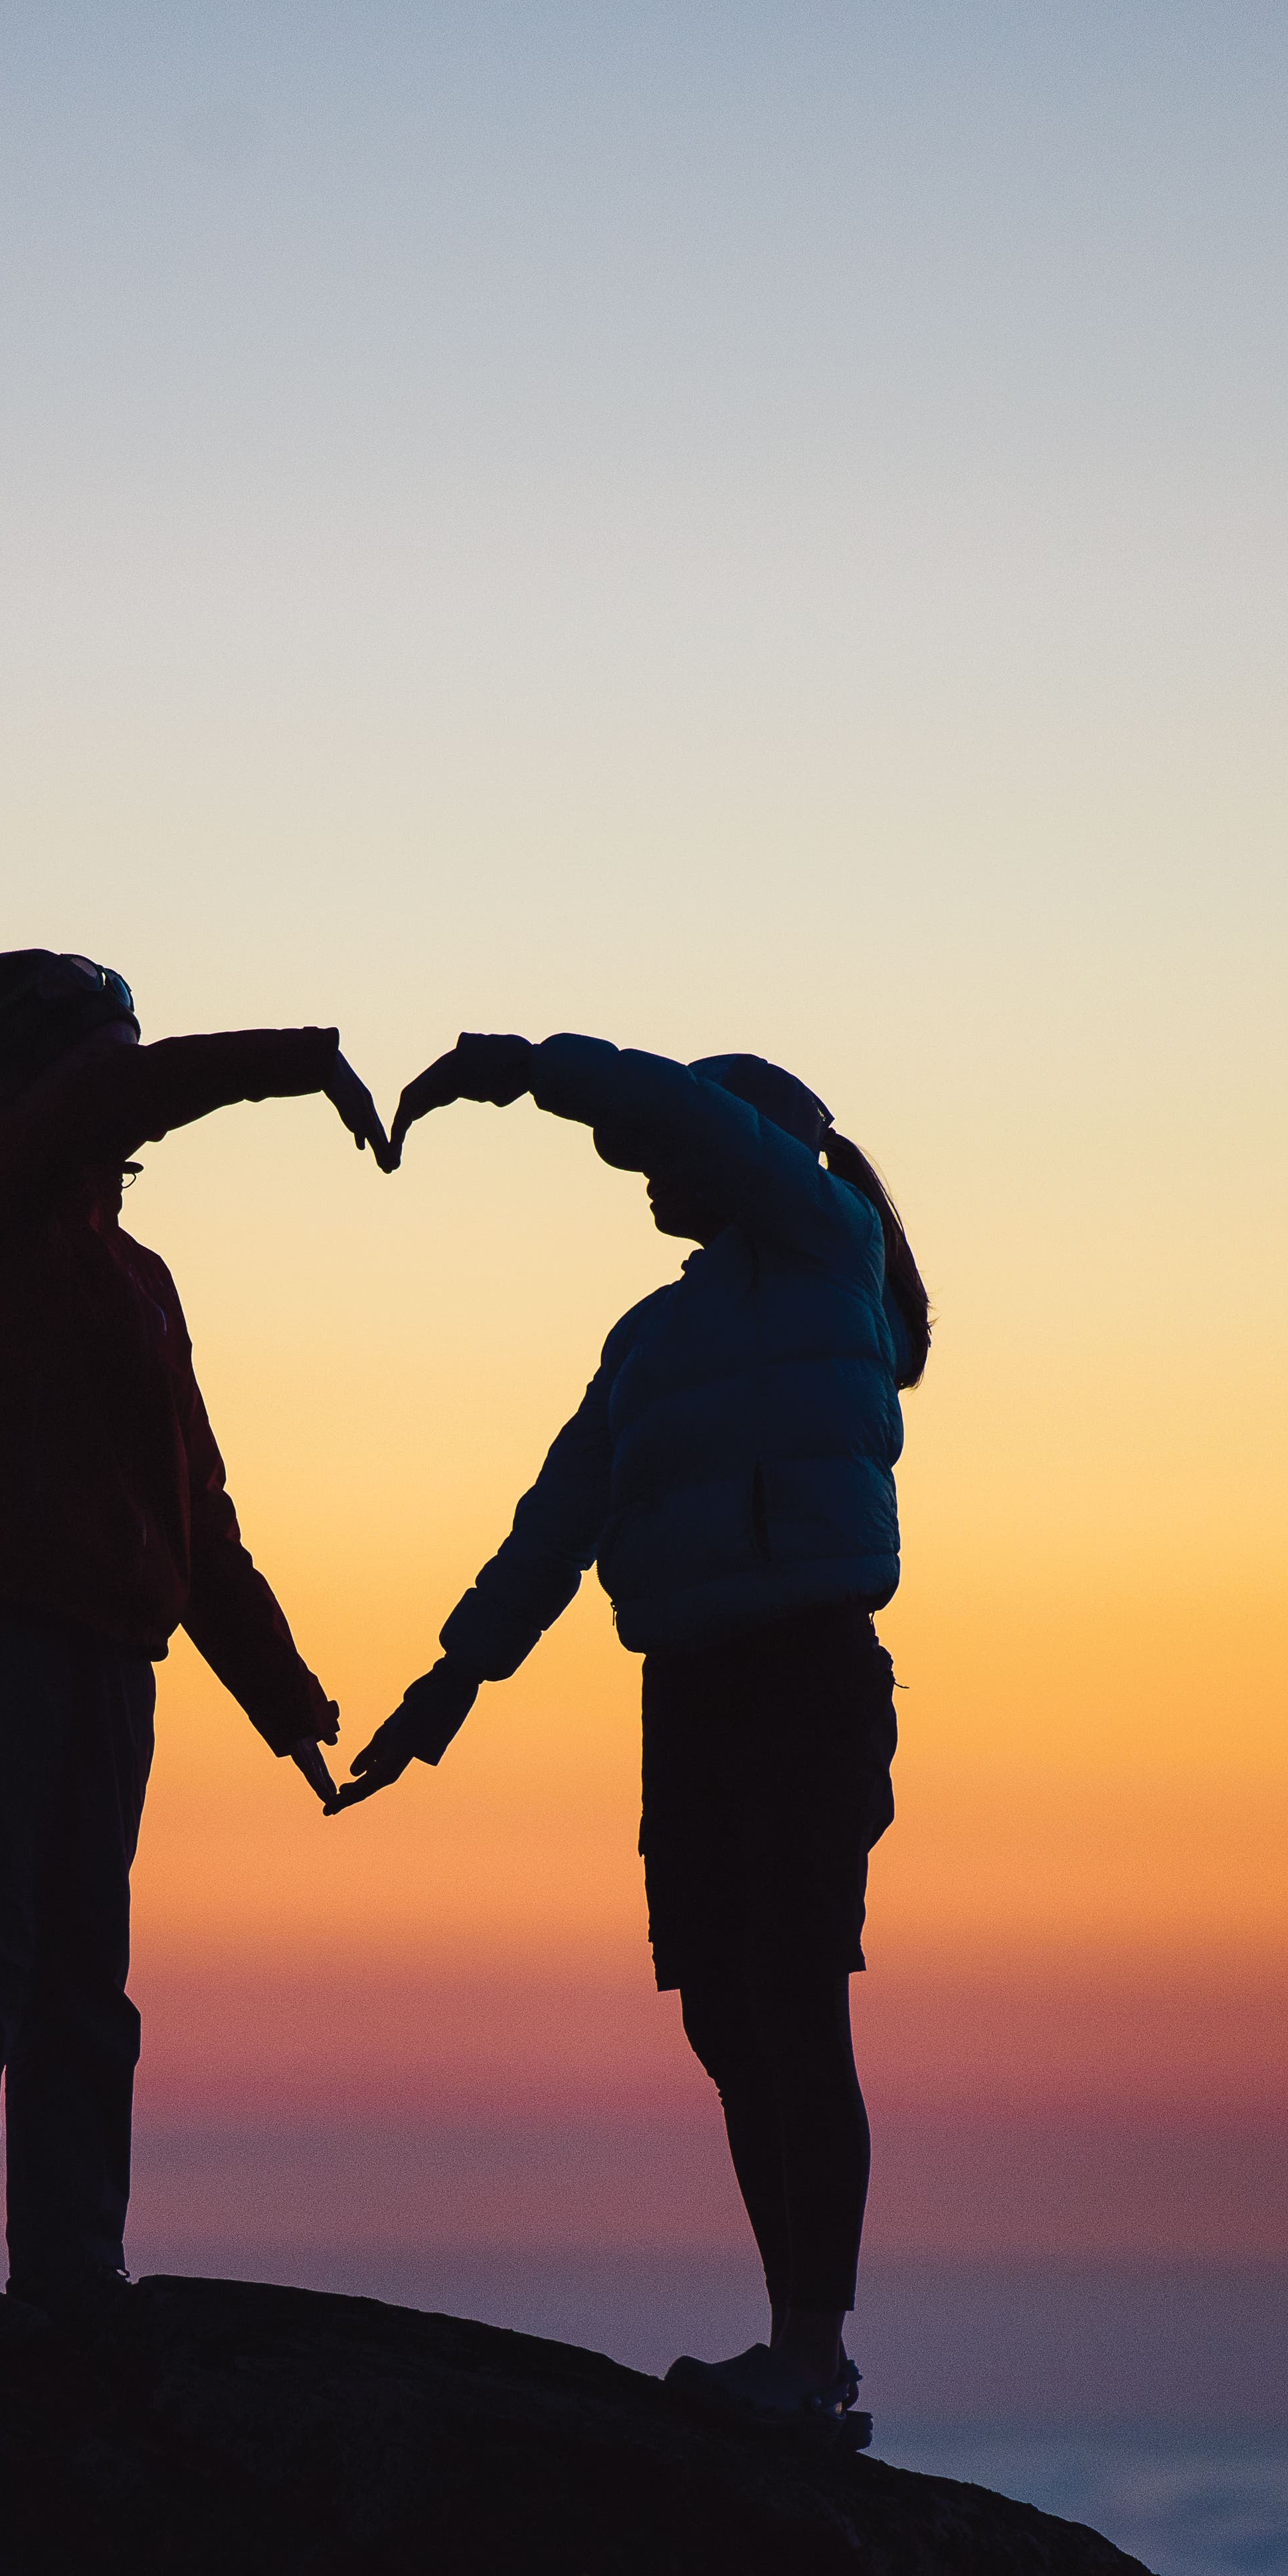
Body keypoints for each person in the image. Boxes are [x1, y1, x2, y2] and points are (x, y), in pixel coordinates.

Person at [331, 1030, 930, 2443]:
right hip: (692, 1694)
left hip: (804, 1676)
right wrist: (449, 1686)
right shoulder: (653, 1339)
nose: (648, 1175)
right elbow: (562, 1514)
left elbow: (691, 1117)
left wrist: (526, 1069)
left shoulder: (826, 1248)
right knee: (726, 2013)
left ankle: (813, 2357)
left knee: (793, 1998)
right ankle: (792, 2342)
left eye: (663, 1155)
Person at [0, 948, 385, 2361]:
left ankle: (69, 2268)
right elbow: (113, 1103)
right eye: (107, 1063)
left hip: (112, 1653)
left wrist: (282, 1694)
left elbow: (194, 1513)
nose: (132, 1097)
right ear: (44, 1077)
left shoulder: (141, 1278)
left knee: (83, 1978)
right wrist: (295, 1058)